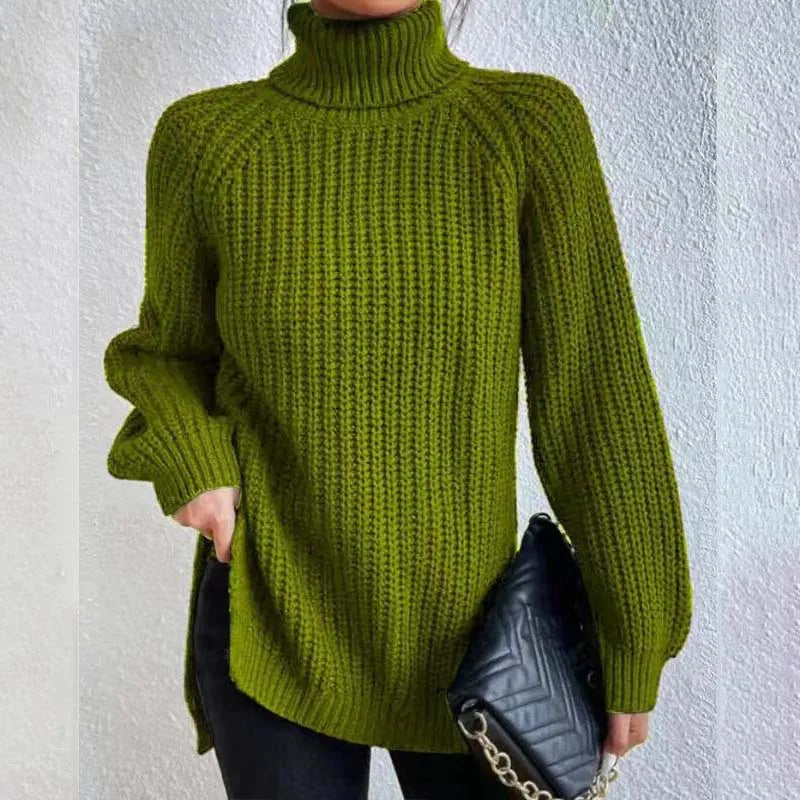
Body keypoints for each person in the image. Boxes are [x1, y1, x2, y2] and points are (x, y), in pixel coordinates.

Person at [102, 0, 693, 797]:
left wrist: (635, 628)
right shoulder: (207, 140)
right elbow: (165, 355)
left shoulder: (526, 129)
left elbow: (596, 395)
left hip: (478, 641)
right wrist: (196, 465)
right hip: (272, 614)